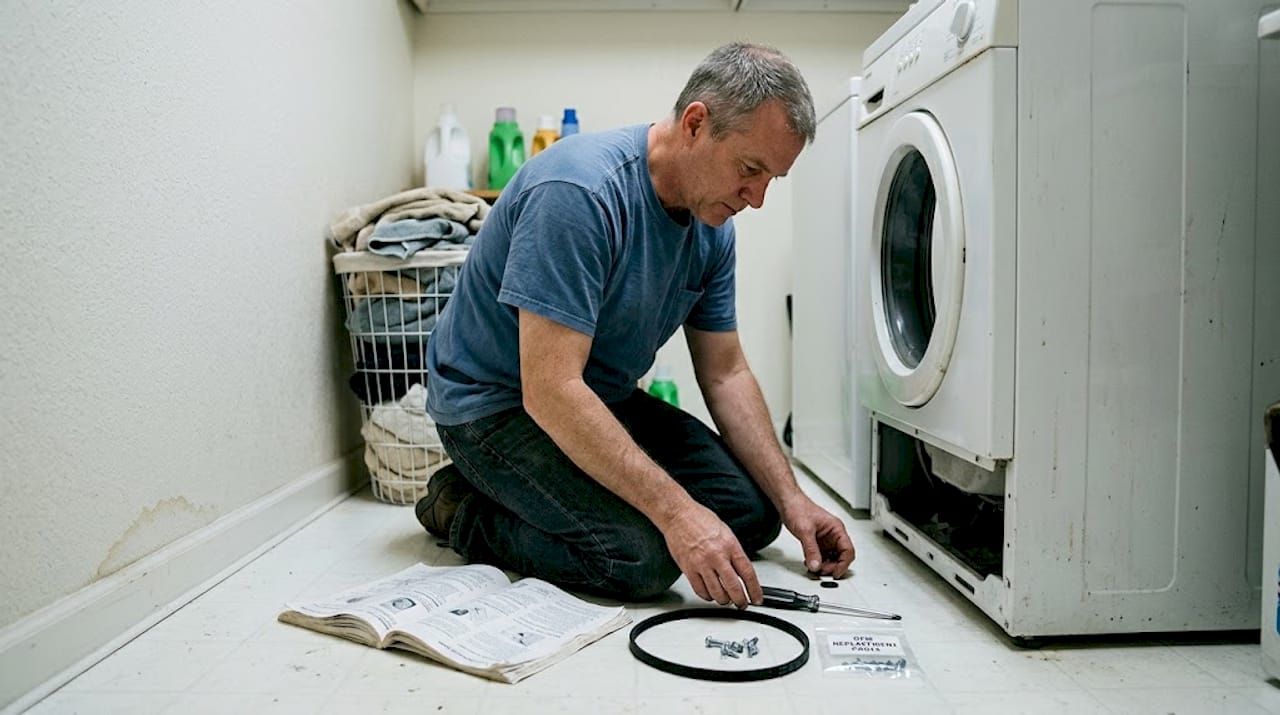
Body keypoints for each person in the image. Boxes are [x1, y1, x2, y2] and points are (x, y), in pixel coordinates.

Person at [417, 42, 855, 609]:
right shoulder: (578, 193)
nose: (758, 198)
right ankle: (461, 506)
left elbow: (725, 373)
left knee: (752, 513)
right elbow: (551, 391)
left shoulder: (713, 225)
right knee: (640, 558)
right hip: (497, 409)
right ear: (696, 123)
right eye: (750, 169)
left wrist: (795, 499)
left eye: (772, 178)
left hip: (598, 396)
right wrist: (676, 514)